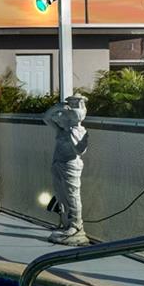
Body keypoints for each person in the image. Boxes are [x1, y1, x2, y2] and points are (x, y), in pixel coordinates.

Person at [42, 94, 89, 245]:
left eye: (75, 105)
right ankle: (65, 222)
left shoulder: (80, 131)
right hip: (58, 164)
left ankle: (76, 225)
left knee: (72, 195)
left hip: (70, 166)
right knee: (60, 195)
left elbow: (80, 150)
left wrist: (71, 131)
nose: (70, 109)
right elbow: (46, 118)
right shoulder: (61, 129)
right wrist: (58, 107)